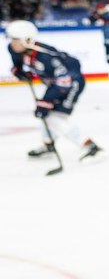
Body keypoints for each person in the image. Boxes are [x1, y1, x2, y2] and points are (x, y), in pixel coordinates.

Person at [10, 20, 102, 173]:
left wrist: (46, 102)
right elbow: (17, 61)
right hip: (55, 84)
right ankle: (49, 144)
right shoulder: (16, 49)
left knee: (54, 116)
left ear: (27, 40)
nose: (12, 43)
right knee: (46, 115)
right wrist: (18, 70)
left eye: (16, 39)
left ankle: (91, 146)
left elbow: (65, 80)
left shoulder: (46, 57)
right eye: (11, 39)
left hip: (71, 83)